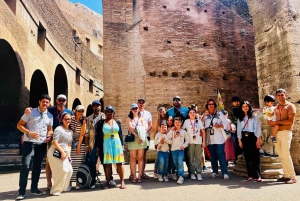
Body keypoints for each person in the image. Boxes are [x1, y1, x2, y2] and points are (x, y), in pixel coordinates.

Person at [25, 94, 72, 191]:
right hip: (51, 139)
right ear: (56, 101)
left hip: (63, 140)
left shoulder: (69, 112)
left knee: (65, 160)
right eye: (60, 100)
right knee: (50, 161)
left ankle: (64, 183)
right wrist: (28, 110)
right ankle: (49, 183)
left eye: (63, 100)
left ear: (66, 102)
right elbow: (38, 114)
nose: (61, 102)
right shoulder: (50, 111)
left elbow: (73, 123)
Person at [16, 94, 53, 200]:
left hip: (41, 144)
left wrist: (49, 135)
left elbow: (50, 129)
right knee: (26, 166)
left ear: (49, 103)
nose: (45, 103)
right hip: (29, 142)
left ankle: (34, 189)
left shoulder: (50, 116)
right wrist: (28, 132)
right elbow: (19, 125)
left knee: (37, 167)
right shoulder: (30, 112)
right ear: (39, 102)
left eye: (47, 102)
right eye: (43, 101)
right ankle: (21, 192)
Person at [267, 88, 297, 184]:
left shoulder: (290, 106)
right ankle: (285, 175)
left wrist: (275, 122)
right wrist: (270, 121)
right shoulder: (276, 107)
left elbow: (290, 121)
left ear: (286, 95)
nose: (280, 96)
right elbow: (269, 116)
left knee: (286, 154)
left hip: (286, 132)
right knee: (281, 155)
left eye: (282, 94)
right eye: (278, 95)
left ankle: (293, 177)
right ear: (276, 97)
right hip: (277, 133)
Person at [95, 106, 126, 189]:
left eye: (111, 111)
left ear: (114, 113)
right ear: (105, 113)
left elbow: (120, 134)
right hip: (106, 143)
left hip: (117, 143)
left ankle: (122, 181)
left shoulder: (117, 122)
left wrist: (122, 145)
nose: (109, 113)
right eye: (108, 111)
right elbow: (98, 136)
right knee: (107, 164)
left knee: (119, 163)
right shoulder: (101, 123)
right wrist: (98, 147)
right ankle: (108, 182)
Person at [202, 99, 229, 180]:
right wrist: (203, 116)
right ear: (207, 105)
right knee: (213, 156)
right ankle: (215, 171)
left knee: (221, 155)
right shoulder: (205, 115)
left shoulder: (219, 113)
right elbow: (201, 125)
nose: (211, 105)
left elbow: (225, 123)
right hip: (210, 138)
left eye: (212, 104)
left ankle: (225, 172)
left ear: (214, 105)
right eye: (209, 104)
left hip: (219, 138)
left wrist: (220, 125)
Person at [47, 113, 73, 195]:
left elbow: (69, 145)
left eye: (69, 119)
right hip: (55, 151)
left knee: (69, 170)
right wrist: (62, 152)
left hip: (64, 153)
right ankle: (55, 190)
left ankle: (63, 188)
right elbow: (54, 142)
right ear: (62, 120)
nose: (67, 120)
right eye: (65, 119)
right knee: (62, 170)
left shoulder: (70, 131)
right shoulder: (58, 129)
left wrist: (68, 155)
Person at [237, 100, 262, 182]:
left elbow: (257, 127)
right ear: (241, 108)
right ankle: (250, 174)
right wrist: (239, 140)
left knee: (255, 156)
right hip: (244, 137)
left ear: (249, 107)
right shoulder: (240, 118)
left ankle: (258, 175)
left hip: (252, 136)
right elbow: (239, 129)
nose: (245, 108)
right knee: (248, 157)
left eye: (246, 106)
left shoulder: (254, 117)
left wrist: (258, 139)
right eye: (243, 106)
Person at [85, 100, 107, 188]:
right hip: (92, 143)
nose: (96, 107)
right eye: (94, 106)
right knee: (92, 163)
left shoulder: (105, 116)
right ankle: (93, 181)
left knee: (105, 162)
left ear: (100, 107)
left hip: (103, 143)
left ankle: (109, 179)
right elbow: (86, 134)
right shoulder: (89, 118)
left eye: (98, 106)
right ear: (92, 107)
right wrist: (87, 145)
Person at [126, 103, 148, 183]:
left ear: (138, 109)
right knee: (133, 158)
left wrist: (139, 136)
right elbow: (130, 129)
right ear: (131, 110)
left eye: (136, 108)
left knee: (141, 158)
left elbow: (144, 128)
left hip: (140, 139)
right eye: (133, 108)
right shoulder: (128, 118)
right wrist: (138, 135)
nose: (135, 110)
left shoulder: (141, 118)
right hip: (133, 139)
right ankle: (134, 176)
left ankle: (139, 176)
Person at [182, 108, 205, 181]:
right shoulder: (186, 122)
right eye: (190, 112)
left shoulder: (199, 121)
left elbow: (203, 131)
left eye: (193, 112)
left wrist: (203, 142)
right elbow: (182, 130)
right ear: (188, 114)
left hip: (198, 141)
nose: (192, 113)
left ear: (195, 114)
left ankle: (198, 172)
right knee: (191, 158)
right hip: (190, 142)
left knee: (198, 157)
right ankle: (192, 173)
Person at [166, 117, 190, 184]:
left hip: (180, 150)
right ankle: (179, 173)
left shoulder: (183, 131)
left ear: (181, 123)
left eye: (178, 122)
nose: (177, 124)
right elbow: (167, 138)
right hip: (173, 150)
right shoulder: (172, 130)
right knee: (176, 163)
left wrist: (184, 146)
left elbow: (188, 140)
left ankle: (181, 176)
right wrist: (171, 142)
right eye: (176, 122)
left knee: (180, 162)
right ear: (174, 123)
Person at [70, 105, 87, 189]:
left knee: (78, 164)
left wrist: (78, 146)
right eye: (79, 111)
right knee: (70, 163)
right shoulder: (71, 119)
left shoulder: (83, 120)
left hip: (79, 144)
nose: (80, 113)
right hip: (70, 143)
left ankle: (78, 182)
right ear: (75, 111)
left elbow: (82, 134)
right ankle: (69, 182)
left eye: (82, 111)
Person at [190, 104, 210, 171]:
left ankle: (203, 165)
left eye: (195, 109)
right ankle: (197, 166)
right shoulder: (190, 118)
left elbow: (202, 125)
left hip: (199, 136)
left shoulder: (198, 117)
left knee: (201, 152)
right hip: (192, 138)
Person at [137, 98, 152, 179]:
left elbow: (150, 125)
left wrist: (145, 132)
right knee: (135, 155)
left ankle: (142, 172)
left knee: (144, 155)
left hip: (145, 136)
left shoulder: (148, 114)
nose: (141, 104)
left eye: (142, 103)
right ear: (137, 103)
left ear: (144, 104)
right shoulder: (134, 112)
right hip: (137, 136)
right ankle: (134, 173)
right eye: (140, 102)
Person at [153, 107, 167, 179]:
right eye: (161, 112)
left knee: (166, 158)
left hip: (167, 141)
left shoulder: (167, 120)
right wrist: (156, 143)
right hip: (159, 141)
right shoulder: (157, 122)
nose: (162, 113)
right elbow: (155, 132)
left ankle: (165, 172)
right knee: (158, 158)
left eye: (163, 112)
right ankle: (155, 172)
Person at [229, 96, 241, 163]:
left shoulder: (238, 108)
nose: (237, 103)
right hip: (236, 129)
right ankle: (237, 158)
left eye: (238, 101)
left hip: (238, 128)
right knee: (237, 144)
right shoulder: (235, 110)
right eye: (235, 101)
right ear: (232, 103)